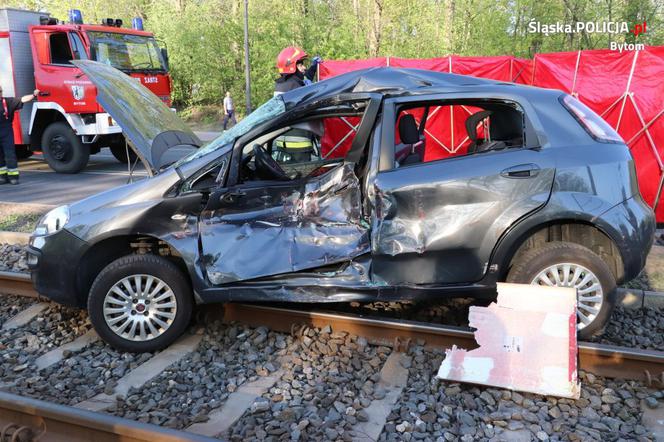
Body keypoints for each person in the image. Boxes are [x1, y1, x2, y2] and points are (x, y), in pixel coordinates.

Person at [273, 47, 322, 162]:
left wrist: (313, 68)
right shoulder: (295, 86)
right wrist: (311, 89)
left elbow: (303, 78)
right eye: (301, 65)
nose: (304, 67)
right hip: (298, 147)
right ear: (292, 66)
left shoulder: (283, 84)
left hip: (284, 145)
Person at [0, 86, 39, 185]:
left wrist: (34, 95)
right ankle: (2, 177)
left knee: (10, 154)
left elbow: (23, 99)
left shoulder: (8, 102)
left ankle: (13, 177)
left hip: (6, 131)